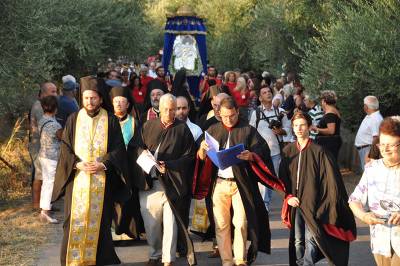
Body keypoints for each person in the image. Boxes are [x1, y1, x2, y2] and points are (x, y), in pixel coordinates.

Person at [52, 78, 130, 265]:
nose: (89, 102)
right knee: (73, 220)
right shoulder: (74, 119)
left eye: (93, 98)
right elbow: (65, 148)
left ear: (101, 99)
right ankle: (73, 259)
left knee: (101, 222)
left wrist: (104, 164)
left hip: (102, 180)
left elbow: (119, 149)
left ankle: (98, 259)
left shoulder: (110, 120)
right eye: (86, 98)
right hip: (77, 179)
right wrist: (76, 164)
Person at [196, 97, 275, 266]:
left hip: (241, 184)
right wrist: (202, 150)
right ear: (219, 114)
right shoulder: (213, 129)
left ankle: (240, 259)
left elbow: (262, 152)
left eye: (231, 115)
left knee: (240, 222)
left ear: (237, 112)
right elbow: (201, 159)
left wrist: (251, 156)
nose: (228, 119)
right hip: (219, 183)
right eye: (224, 116)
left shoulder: (248, 130)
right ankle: (226, 261)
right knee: (221, 224)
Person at [280, 112, 356, 266]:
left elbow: (331, 181)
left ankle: (306, 264)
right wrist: (288, 197)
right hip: (295, 203)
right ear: (292, 128)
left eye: (302, 125)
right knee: (298, 240)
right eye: (296, 125)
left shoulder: (319, 151)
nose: (299, 128)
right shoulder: (288, 151)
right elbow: (283, 179)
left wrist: (325, 204)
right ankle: (301, 263)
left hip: (313, 203)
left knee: (312, 237)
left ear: (309, 126)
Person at [139, 93, 197, 266]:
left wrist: (170, 165)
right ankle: (155, 253)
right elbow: (136, 146)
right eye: (166, 109)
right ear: (159, 109)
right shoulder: (148, 126)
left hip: (172, 183)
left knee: (171, 224)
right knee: (152, 224)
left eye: (172, 109)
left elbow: (189, 156)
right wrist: (141, 154)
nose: (170, 113)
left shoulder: (182, 129)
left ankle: (168, 258)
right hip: (150, 183)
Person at [349, 116, 400, 266]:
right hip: (380, 242)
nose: (385, 149)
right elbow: (354, 199)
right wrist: (364, 216)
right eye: (382, 144)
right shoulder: (372, 168)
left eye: (391, 145)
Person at [110, 87, 144, 241]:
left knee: (129, 199)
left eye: (121, 102)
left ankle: (129, 231)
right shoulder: (107, 121)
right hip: (111, 166)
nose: (118, 104)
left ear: (128, 105)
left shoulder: (134, 122)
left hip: (129, 167)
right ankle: (114, 230)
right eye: (116, 101)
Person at [249, 86, 290, 211]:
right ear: (260, 98)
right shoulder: (255, 113)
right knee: (262, 176)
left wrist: (280, 131)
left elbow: (288, 130)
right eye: (264, 92)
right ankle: (264, 204)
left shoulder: (280, 112)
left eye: (269, 92)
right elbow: (250, 131)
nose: (268, 94)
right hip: (260, 152)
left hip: (275, 151)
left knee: (273, 177)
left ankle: (265, 202)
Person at [29, 82, 58, 210]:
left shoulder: (42, 104)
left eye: (56, 91)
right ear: (44, 93)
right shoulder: (40, 106)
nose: (56, 94)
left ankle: (45, 204)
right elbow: (47, 126)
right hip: (39, 146)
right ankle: (37, 204)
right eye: (53, 92)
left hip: (42, 145)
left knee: (44, 176)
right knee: (39, 175)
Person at [38, 95, 62, 223]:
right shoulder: (54, 124)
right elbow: (62, 137)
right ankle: (46, 211)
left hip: (43, 155)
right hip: (52, 157)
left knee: (46, 183)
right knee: (50, 184)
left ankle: (45, 208)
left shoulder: (42, 119)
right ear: (56, 108)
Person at [354, 95, 383, 171]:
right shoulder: (370, 116)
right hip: (365, 149)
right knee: (367, 174)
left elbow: (376, 138)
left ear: (366, 106)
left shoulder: (375, 118)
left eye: (364, 104)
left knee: (369, 174)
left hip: (368, 150)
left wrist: (371, 154)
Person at [311, 90, 342, 160]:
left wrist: (316, 129)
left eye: (322, 100)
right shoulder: (334, 111)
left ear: (324, 101)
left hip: (329, 143)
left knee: (329, 165)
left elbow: (331, 131)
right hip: (331, 142)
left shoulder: (330, 113)